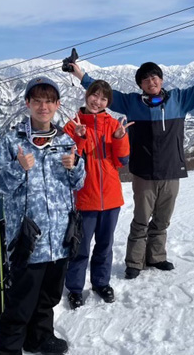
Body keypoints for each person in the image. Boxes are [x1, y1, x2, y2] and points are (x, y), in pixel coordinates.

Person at [68, 48, 194, 280]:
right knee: (140, 220)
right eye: (146, 79)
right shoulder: (132, 103)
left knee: (162, 220)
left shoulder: (180, 100)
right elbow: (103, 94)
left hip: (171, 171)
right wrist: (80, 74)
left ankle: (156, 256)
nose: (151, 81)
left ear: (162, 79)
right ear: (140, 85)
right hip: (143, 173)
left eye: (155, 76)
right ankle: (134, 262)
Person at [0, 76, 86, 355]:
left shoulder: (66, 141)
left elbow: (77, 183)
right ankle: (7, 350)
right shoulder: (12, 141)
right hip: (28, 240)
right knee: (20, 303)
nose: (44, 106)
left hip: (60, 237)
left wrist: (75, 167)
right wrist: (19, 168)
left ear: (57, 105)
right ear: (27, 103)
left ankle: (39, 338)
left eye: (49, 101)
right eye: (38, 101)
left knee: (49, 298)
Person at [63, 79, 132, 310]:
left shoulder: (113, 125)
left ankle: (101, 283)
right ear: (87, 95)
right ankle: (74, 288)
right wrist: (80, 137)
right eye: (95, 95)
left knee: (105, 245)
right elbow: (70, 163)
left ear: (108, 103)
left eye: (104, 98)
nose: (98, 101)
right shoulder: (72, 125)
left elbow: (122, 161)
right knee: (80, 247)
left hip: (111, 198)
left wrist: (121, 138)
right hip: (84, 198)